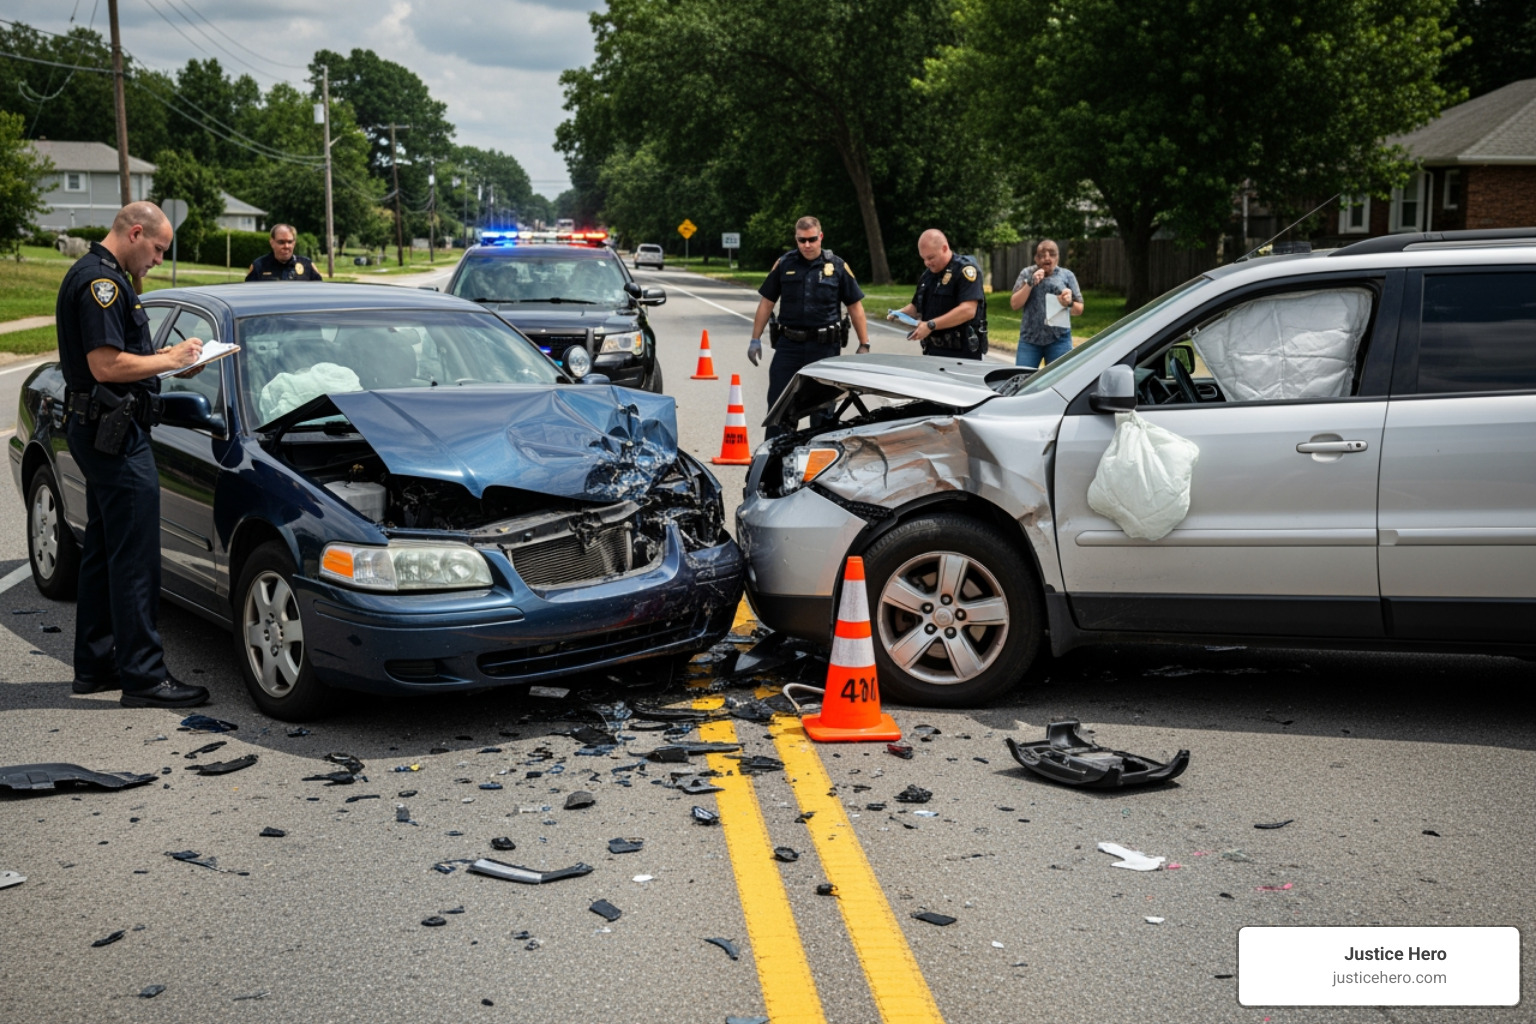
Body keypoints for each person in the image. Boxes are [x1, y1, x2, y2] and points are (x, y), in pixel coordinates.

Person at [56, 202, 211, 709]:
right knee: (136, 557)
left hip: (106, 428)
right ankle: (144, 677)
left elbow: (125, 362)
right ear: (136, 232)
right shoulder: (101, 284)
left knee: (103, 551)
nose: (157, 259)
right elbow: (103, 364)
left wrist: (168, 367)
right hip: (113, 436)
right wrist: (167, 358)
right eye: (158, 249)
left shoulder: (107, 277)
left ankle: (96, 665)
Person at [748, 216, 871, 427]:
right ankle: (777, 458)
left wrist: (864, 344)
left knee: (822, 412)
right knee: (780, 409)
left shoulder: (837, 266)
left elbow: (855, 306)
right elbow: (767, 302)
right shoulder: (784, 264)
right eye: (801, 240)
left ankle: (820, 458)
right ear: (796, 239)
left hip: (824, 348)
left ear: (821, 237)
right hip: (789, 347)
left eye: (812, 239)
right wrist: (755, 339)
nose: (807, 245)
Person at [888, 229, 987, 358]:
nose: (927, 263)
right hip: (933, 350)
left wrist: (931, 325)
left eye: (930, 257)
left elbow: (968, 310)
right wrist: (898, 313)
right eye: (923, 259)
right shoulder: (927, 276)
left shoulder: (965, 271)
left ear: (945, 248)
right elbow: (916, 306)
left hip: (962, 353)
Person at [1010, 238, 1083, 367]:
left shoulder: (1067, 275)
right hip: (1030, 340)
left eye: (1052, 254)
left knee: (1059, 381)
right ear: (1036, 258)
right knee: (1022, 380)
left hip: (1059, 340)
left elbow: (1079, 309)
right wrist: (1030, 283)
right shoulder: (1027, 273)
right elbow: (1015, 304)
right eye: (1042, 255)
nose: (1047, 258)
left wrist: (1069, 303)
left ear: (1058, 258)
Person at [245, 224, 324, 281]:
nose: (286, 246)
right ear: (272, 243)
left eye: (290, 242)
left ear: (294, 243)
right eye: (281, 242)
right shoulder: (259, 266)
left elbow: (318, 293)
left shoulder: (307, 265)